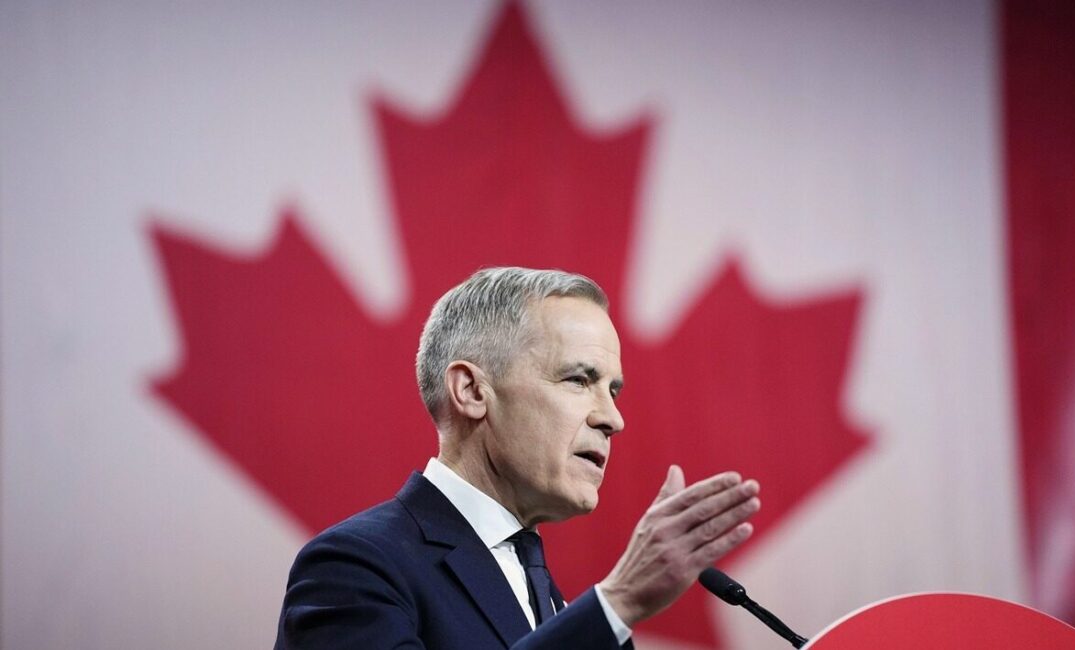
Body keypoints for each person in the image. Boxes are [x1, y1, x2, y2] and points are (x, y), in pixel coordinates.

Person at [274, 267, 761, 649]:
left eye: (612, 390)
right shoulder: (353, 567)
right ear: (472, 391)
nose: (613, 418)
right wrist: (618, 602)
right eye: (579, 380)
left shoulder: (543, 590)